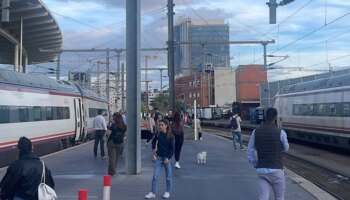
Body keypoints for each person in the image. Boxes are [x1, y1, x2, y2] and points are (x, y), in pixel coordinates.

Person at [246, 107, 289, 200]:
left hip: (262, 170)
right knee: (279, 197)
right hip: (276, 170)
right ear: (276, 118)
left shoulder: (255, 132)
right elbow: (286, 148)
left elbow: (249, 151)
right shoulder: (281, 132)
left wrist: (255, 163)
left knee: (263, 198)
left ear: (265, 117)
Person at [145, 119, 174, 199]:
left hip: (167, 158)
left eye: (162, 125)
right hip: (159, 158)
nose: (160, 126)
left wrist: (168, 158)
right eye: (159, 125)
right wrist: (155, 150)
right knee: (155, 176)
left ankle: (167, 192)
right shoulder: (158, 133)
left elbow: (172, 149)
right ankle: (153, 192)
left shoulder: (170, 136)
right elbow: (154, 142)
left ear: (166, 126)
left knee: (168, 176)